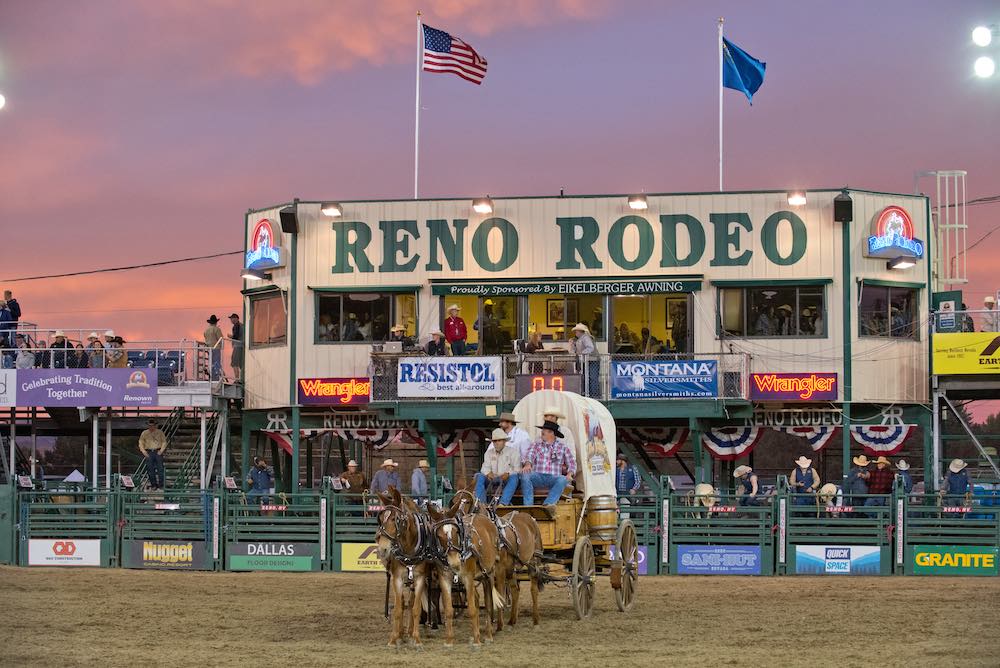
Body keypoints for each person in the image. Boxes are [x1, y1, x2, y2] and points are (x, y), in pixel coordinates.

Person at [521, 420, 576, 509]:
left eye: (545, 431)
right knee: (525, 475)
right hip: (538, 476)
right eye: (542, 430)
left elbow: (572, 463)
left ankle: (548, 505)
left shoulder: (563, 447)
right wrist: (528, 464)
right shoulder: (536, 445)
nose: (542, 432)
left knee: (563, 479)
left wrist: (570, 474)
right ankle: (528, 507)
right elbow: (529, 455)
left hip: (553, 477)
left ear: (552, 433)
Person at [475, 428, 522, 505]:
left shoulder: (513, 452)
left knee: (514, 477)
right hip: (493, 478)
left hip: (506, 478)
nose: (497, 443)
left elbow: (517, 468)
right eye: (495, 441)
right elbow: (484, 467)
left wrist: (508, 473)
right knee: (480, 476)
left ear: (504, 441)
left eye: (499, 440)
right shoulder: (489, 453)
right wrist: (488, 473)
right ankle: (481, 504)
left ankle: (503, 503)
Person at [138, 419, 167, 490]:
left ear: (155, 425)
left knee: (160, 469)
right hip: (149, 452)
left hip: (158, 451)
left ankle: (161, 484)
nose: (151, 427)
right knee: (150, 470)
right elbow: (141, 442)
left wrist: (161, 450)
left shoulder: (160, 432)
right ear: (148, 426)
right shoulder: (144, 433)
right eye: (150, 426)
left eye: (153, 425)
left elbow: (164, 442)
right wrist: (144, 452)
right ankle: (153, 484)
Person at [571, 323, 598, 396]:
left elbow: (590, 348)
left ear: (580, 331)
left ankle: (594, 395)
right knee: (587, 377)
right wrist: (573, 345)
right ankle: (590, 394)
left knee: (592, 378)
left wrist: (581, 353)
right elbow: (574, 351)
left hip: (593, 360)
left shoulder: (585, 337)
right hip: (587, 360)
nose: (575, 332)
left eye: (576, 331)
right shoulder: (579, 339)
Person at [204, 315, 224, 379]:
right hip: (216, 348)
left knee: (211, 363)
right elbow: (221, 339)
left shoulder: (206, 330)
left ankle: (212, 377)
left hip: (209, 348)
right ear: (216, 322)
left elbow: (205, 338)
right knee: (216, 363)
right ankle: (216, 377)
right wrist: (221, 346)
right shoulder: (217, 329)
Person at [229, 313, 244, 382]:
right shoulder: (242, 325)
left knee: (234, 362)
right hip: (242, 346)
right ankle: (241, 378)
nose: (231, 320)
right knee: (241, 363)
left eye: (232, 318)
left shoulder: (236, 325)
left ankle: (237, 379)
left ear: (236, 319)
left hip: (238, 346)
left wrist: (230, 336)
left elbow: (236, 336)